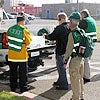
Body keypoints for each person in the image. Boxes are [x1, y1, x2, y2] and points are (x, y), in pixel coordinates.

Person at [43, 12, 70, 90]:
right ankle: (60, 80)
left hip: (61, 51)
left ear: (61, 19)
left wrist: (45, 36)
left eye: (58, 19)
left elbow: (52, 36)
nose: (58, 21)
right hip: (67, 50)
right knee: (61, 67)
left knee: (61, 68)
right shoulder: (68, 26)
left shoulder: (60, 28)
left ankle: (64, 84)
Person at [6, 16, 32, 93]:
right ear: (22, 21)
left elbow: (8, 39)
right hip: (21, 56)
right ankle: (23, 87)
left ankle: (13, 87)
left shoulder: (10, 29)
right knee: (22, 73)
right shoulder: (24, 30)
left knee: (13, 72)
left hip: (11, 55)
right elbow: (28, 41)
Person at [64, 12, 84, 100]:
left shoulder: (72, 34)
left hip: (75, 60)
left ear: (72, 22)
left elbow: (68, 50)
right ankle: (81, 96)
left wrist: (65, 62)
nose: (69, 23)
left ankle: (75, 98)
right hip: (81, 59)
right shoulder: (82, 31)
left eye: (69, 21)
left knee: (74, 80)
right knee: (80, 79)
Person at [79, 9, 97, 83]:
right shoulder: (92, 20)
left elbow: (78, 29)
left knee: (86, 60)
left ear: (84, 14)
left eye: (81, 15)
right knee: (88, 59)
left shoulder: (84, 20)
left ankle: (86, 77)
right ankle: (86, 75)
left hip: (86, 43)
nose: (81, 17)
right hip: (92, 42)